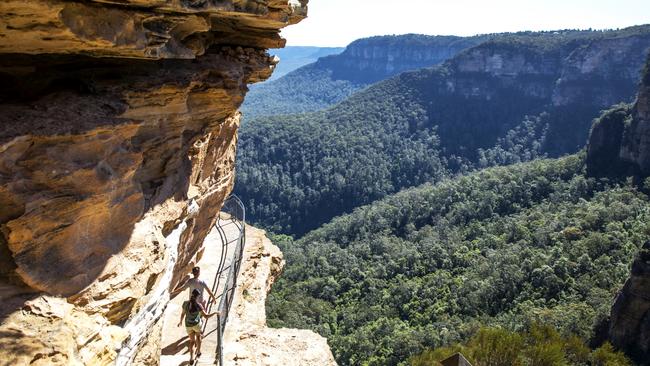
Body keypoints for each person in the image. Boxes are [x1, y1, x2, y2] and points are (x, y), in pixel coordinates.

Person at [178, 289, 218, 363]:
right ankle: (199, 352)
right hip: (196, 325)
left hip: (188, 325)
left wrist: (180, 321)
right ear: (197, 297)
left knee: (191, 341)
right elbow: (206, 316)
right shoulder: (198, 305)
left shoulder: (185, 303)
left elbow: (183, 313)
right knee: (198, 337)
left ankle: (191, 358)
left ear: (191, 295)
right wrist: (215, 313)